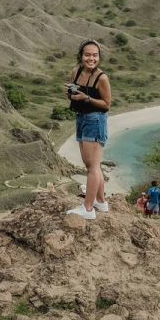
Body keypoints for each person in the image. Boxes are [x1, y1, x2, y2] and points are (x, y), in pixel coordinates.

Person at [65, 39, 112, 220]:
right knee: (92, 165)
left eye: (95, 55)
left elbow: (107, 105)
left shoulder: (102, 78)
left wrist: (86, 99)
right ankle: (100, 201)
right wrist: (71, 93)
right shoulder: (75, 71)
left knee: (92, 167)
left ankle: (88, 208)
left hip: (95, 120)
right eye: (87, 55)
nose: (91, 58)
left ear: (99, 57)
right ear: (81, 55)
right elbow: (72, 93)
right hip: (81, 118)